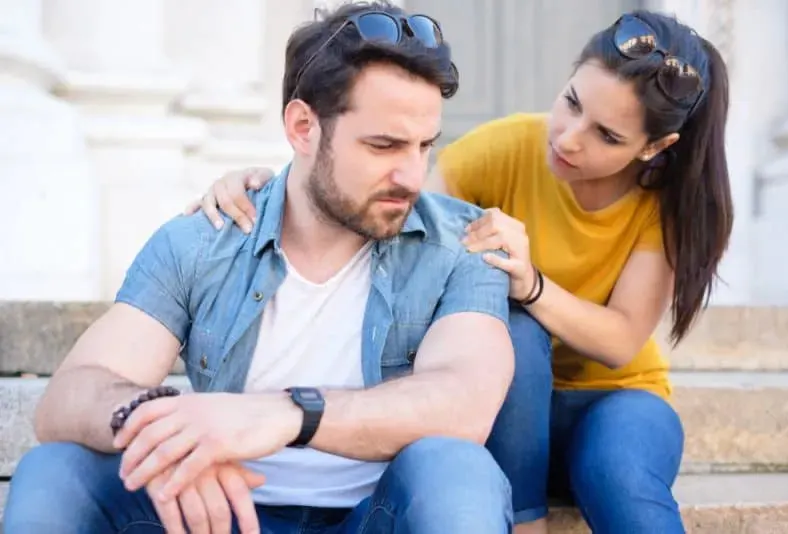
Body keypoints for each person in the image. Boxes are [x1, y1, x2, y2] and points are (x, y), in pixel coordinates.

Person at [189, 9, 734, 534]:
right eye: (571, 103)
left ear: (656, 147)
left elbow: (619, 341)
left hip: (612, 402)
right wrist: (273, 189)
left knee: (622, 475)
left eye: (607, 136)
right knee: (516, 334)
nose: (569, 136)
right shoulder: (505, 146)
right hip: (501, 406)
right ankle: (527, 522)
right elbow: (384, 216)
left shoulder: (668, 205)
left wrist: (532, 284)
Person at [4, 2, 518, 533]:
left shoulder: (463, 243)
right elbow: (67, 397)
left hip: (376, 517)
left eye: (424, 146)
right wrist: (164, 429)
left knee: (456, 470)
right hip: (216, 515)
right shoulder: (204, 243)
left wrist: (285, 414)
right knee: (54, 470)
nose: (412, 175)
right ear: (302, 127)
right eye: (383, 145)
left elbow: (464, 405)